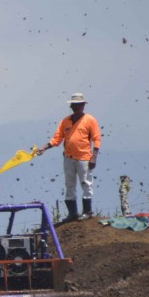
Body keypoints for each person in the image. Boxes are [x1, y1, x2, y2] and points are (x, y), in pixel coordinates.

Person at [35, 92, 101, 222]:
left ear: (83, 105)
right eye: (73, 105)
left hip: (84, 158)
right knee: (69, 184)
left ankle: (87, 211)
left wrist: (94, 157)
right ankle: (72, 213)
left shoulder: (89, 120)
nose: (75, 107)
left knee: (86, 183)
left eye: (78, 105)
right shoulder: (65, 121)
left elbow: (97, 139)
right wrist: (44, 147)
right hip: (68, 158)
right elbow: (57, 138)